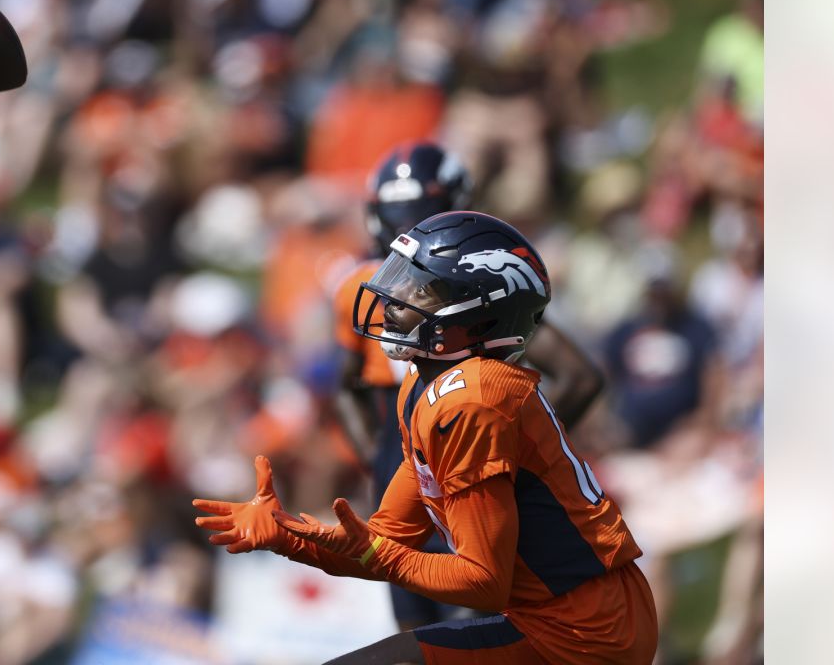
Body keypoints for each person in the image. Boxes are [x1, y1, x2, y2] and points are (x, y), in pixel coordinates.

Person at [196, 212, 656, 664]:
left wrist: (376, 553)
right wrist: (286, 536)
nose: (395, 297)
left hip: (587, 629)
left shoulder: (471, 400)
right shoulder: (424, 388)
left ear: (476, 317)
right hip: (553, 616)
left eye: (422, 288)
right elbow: (386, 538)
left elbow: (481, 580)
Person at [332, 142, 605, 632]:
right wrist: (380, 456)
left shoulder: (470, 291)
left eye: (419, 215)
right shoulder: (362, 287)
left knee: (465, 631)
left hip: (463, 487)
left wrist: (510, 447)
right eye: (397, 216)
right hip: (410, 479)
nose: (405, 230)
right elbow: (347, 385)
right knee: (415, 639)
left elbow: (579, 375)